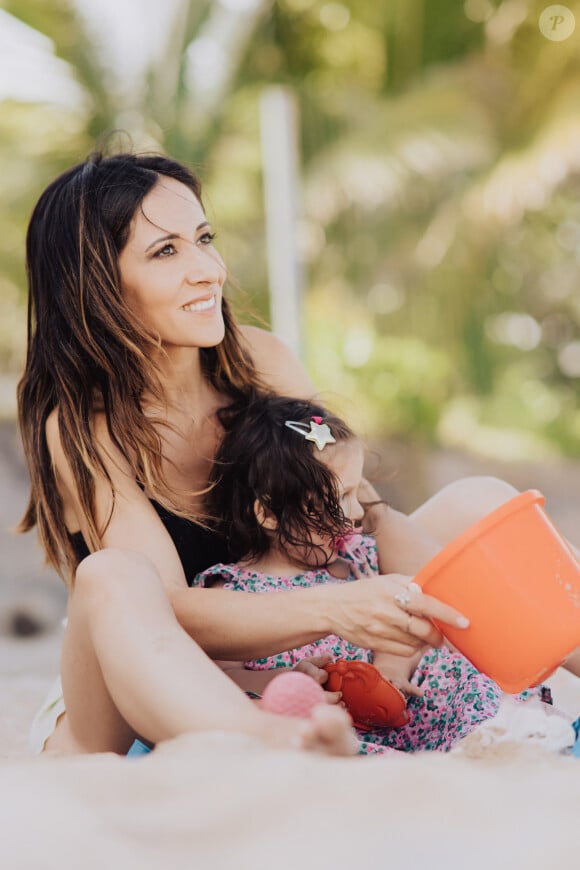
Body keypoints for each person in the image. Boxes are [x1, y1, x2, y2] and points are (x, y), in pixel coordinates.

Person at [17, 148, 519, 757]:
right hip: (153, 685)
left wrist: (409, 598)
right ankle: (277, 746)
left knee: (479, 503)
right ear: (95, 286)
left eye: (203, 238)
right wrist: (336, 608)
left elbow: (364, 511)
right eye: (166, 251)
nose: (207, 269)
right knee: (112, 575)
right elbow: (171, 611)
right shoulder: (82, 429)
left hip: (289, 671)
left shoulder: (262, 361)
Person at [196, 394, 574, 753]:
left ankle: (517, 738)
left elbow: (415, 625)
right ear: (269, 514)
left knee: (474, 672)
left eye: (355, 495)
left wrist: (391, 667)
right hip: (341, 730)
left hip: (414, 717)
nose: (357, 513)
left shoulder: (356, 557)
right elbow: (214, 674)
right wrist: (286, 681)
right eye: (339, 499)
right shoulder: (233, 590)